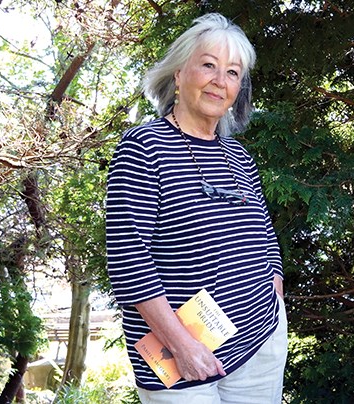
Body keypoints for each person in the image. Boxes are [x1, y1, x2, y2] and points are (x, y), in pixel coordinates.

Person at [105, 13, 287, 403]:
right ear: (178, 74)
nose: (220, 81)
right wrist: (182, 345)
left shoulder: (238, 157)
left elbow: (263, 234)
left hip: (260, 342)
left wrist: (275, 284)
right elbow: (127, 260)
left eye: (233, 73)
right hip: (179, 359)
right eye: (208, 65)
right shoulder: (143, 147)